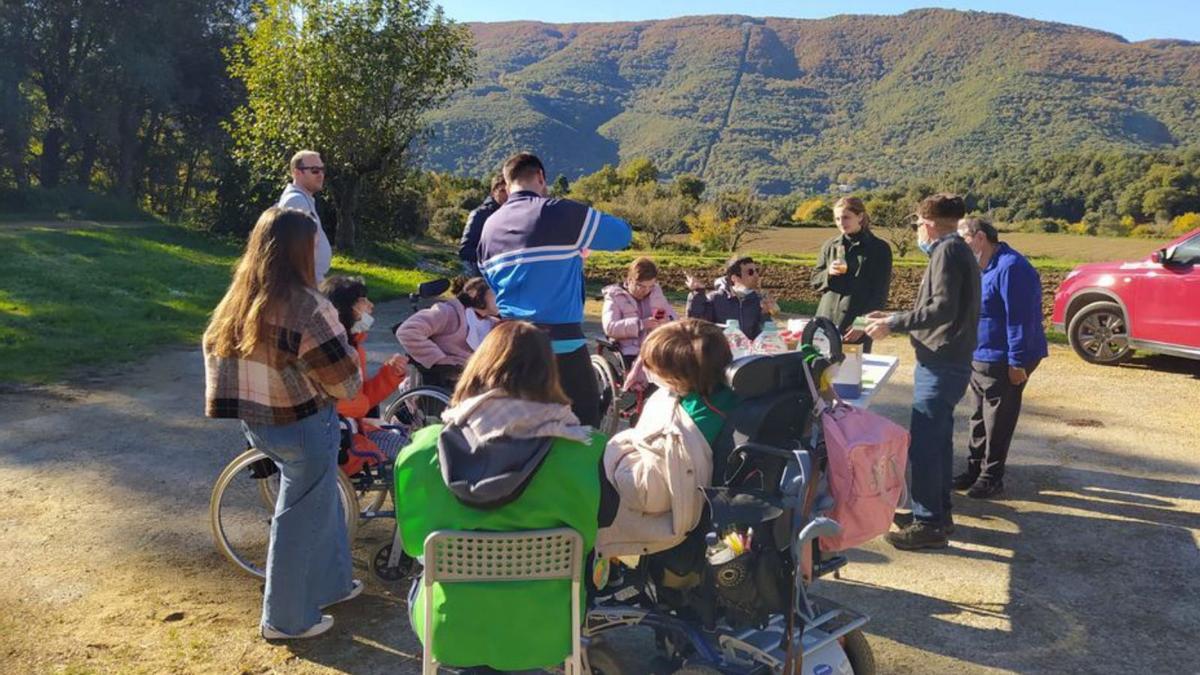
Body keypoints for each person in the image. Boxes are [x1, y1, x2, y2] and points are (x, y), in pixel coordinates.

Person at [392, 321, 614, 673]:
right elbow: (603, 523)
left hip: (451, 628)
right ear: (549, 374)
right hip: (548, 629)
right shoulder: (585, 452)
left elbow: (414, 542)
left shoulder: (421, 453)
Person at [203, 207, 362, 639]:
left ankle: (333, 585)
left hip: (257, 425)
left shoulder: (237, 299)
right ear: (301, 251)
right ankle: (285, 620)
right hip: (306, 424)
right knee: (298, 516)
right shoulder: (310, 307)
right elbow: (347, 385)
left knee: (320, 502)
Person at [478, 152, 633, 427]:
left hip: (510, 348)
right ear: (540, 177)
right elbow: (622, 235)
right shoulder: (558, 211)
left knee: (519, 437)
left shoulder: (489, 228)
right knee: (584, 433)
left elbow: (490, 283)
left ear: (506, 181)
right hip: (563, 346)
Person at [861, 193, 980, 551]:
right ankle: (937, 514)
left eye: (918, 225)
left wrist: (895, 323)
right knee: (937, 442)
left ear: (926, 223)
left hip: (941, 362)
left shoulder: (946, 251)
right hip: (950, 360)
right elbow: (941, 305)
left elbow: (941, 308)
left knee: (926, 446)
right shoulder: (959, 250)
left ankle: (928, 524)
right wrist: (894, 315)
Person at [597, 319, 739, 558]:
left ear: (678, 379)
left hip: (674, 518)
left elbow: (646, 492)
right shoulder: (728, 396)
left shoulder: (685, 422)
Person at [954, 217, 1048, 499]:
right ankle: (974, 469)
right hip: (979, 355)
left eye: (963, 240)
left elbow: (1021, 320)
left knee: (998, 421)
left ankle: (991, 477)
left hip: (1004, 357)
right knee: (978, 418)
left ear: (980, 237)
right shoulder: (978, 266)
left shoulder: (1012, 268)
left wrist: (1017, 362)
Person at [321, 275, 411, 465]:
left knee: (412, 451)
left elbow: (364, 399)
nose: (371, 306)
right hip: (337, 438)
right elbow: (349, 402)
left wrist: (390, 373)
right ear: (345, 308)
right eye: (363, 301)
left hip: (352, 431)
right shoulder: (331, 350)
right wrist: (361, 406)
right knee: (410, 456)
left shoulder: (354, 346)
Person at [812, 197, 893, 351]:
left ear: (860, 217)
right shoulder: (830, 246)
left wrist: (862, 323)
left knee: (851, 372)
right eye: (837, 218)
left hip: (854, 326)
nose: (841, 222)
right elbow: (815, 281)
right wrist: (828, 273)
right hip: (825, 322)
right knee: (819, 371)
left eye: (846, 217)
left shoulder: (879, 249)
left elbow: (880, 293)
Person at [394, 276, 499, 389]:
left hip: (476, 376)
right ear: (474, 293)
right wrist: (439, 359)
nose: (500, 298)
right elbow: (407, 331)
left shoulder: (493, 323)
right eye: (495, 293)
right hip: (450, 378)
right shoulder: (448, 312)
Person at [601, 257, 678, 371]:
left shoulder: (656, 294)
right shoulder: (615, 296)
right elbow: (610, 328)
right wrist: (640, 324)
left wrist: (666, 321)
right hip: (630, 349)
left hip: (656, 346)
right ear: (630, 280)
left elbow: (673, 318)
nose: (646, 291)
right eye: (641, 286)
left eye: (650, 286)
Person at [685, 255, 778, 340]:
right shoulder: (716, 299)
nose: (756, 275)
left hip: (748, 355)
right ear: (734, 278)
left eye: (756, 271)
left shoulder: (758, 300)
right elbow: (695, 325)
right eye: (750, 272)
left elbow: (762, 337)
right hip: (723, 355)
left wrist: (765, 314)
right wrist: (697, 294)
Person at [278, 150, 332, 284]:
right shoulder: (296, 201)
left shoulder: (304, 199)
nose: (320, 175)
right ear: (297, 173)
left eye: (322, 170)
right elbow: (297, 254)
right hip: (304, 283)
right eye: (314, 170)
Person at [459, 174, 508, 277]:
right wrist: (492, 257)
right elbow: (465, 251)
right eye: (502, 191)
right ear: (493, 192)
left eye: (509, 191)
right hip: (484, 276)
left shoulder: (515, 214)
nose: (506, 195)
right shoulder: (479, 214)